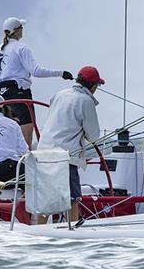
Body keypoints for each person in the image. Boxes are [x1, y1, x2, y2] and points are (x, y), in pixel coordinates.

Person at [0, 16, 73, 147]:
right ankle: (25, 162)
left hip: (2, 95)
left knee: (8, 131)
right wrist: (61, 73)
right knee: (26, 136)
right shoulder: (21, 48)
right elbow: (36, 71)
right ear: (17, 31)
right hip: (19, 92)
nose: (23, 30)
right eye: (22, 28)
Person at [37, 66, 104, 223]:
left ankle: (38, 229)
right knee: (73, 198)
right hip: (65, 156)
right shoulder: (86, 101)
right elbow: (93, 135)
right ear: (94, 87)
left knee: (46, 198)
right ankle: (72, 228)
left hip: (43, 154)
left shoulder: (59, 95)